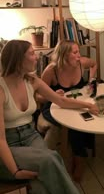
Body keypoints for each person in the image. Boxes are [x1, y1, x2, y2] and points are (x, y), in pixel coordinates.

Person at [0, 40, 103, 194]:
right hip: (8, 145)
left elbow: (61, 101)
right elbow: (1, 139)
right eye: (32, 54)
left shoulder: (32, 81)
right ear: (18, 59)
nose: (36, 58)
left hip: (30, 136)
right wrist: (15, 171)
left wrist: (88, 105)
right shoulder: (1, 89)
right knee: (51, 158)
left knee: (40, 187)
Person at [36, 39, 99, 182]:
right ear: (64, 55)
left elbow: (94, 63)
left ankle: (79, 156)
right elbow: (38, 96)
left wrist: (91, 79)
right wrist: (51, 97)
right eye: (75, 52)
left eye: (79, 52)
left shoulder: (81, 63)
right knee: (73, 123)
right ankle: (79, 158)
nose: (79, 55)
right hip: (55, 107)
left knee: (85, 118)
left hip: (77, 104)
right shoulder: (51, 70)